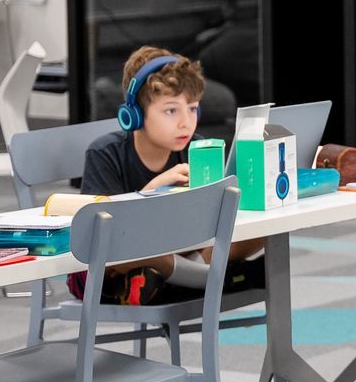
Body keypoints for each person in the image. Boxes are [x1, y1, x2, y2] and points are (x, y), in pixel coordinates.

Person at [73, 47, 263, 304]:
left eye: (193, 109)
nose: (186, 122)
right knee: (144, 257)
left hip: (178, 248)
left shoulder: (196, 148)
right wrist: (153, 189)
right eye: (171, 111)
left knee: (261, 234)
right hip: (110, 263)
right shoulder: (104, 153)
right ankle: (218, 278)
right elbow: (96, 238)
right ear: (134, 115)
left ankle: (186, 276)